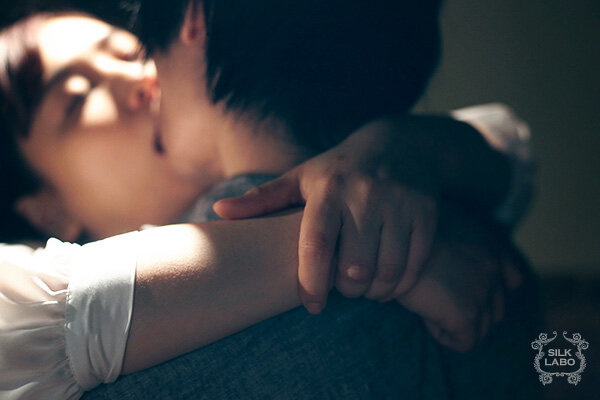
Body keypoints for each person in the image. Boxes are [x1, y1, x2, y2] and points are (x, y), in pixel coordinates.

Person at [0, 5, 539, 400]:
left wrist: (402, 150)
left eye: (131, 51)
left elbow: (511, 142)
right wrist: (349, 242)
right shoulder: (37, 315)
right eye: (77, 97)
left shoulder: (408, 184)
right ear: (42, 206)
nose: (141, 77)